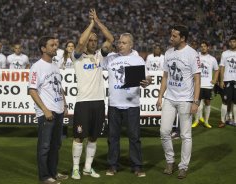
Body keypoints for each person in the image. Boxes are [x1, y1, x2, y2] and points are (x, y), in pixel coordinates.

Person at [71, 9, 114, 180]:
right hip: (83, 102)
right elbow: (80, 42)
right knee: (79, 137)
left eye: (96, 40)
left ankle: (88, 168)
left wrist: (98, 22)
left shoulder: (100, 56)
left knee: (94, 137)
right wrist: (90, 24)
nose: (94, 42)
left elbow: (110, 39)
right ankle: (76, 168)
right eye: (92, 40)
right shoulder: (77, 57)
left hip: (98, 102)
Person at [102, 33, 152, 177]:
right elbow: (103, 50)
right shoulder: (110, 58)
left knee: (134, 137)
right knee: (112, 137)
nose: (120, 45)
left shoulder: (138, 60)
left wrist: (147, 82)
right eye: (119, 42)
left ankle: (137, 166)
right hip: (114, 104)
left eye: (124, 43)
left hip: (132, 104)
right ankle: (112, 165)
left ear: (131, 45)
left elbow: (146, 78)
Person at [156, 25, 201, 179]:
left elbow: (197, 79)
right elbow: (165, 76)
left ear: (182, 38)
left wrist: (195, 101)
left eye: (174, 36)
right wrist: (160, 96)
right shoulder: (168, 53)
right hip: (170, 98)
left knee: (185, 135)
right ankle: (170, 161)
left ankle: (183, 166)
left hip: (186, 100)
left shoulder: (192, 54)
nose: (171, 38)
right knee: (164, 131)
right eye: (171, 35)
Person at [28, 36, 69, 184]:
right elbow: (32, 91)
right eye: (52, 45)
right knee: (45, 146)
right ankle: (44, 177)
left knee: (55, 145)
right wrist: (45, 110)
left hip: (58, 111)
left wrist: (64, 105)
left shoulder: (54, 66)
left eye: (56, 45)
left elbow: (60, 87)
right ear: (43, 49)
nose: (55, 47)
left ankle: (53, 173)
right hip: (47, 113)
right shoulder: (36, 67)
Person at [192, 41, 219, 128]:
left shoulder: (212, 59)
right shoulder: (196, 57)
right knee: (197, 103)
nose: (203, 48)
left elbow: (217, 69)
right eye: (201, 46)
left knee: (207, 103)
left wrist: (215, 79)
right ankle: (196, 120)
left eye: (204, 46)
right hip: (198, 84)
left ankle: (206, 121)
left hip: (208, 85)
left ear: (208, 48)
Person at [218, 35, 236, 127]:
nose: (232, 43)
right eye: (231, 41)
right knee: (225, 101)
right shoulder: (225, 53)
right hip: (227, 80)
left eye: (234, 41)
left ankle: (235, 120)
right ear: (229, 43)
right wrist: (221, 81)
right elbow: (222, 67)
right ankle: (222, 121)